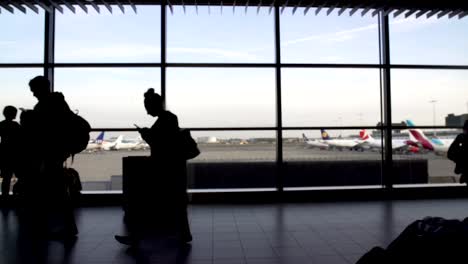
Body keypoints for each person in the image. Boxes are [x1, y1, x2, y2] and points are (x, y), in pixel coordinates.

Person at [115, 88, 192, 246]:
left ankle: (137, 237)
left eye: (147, 107)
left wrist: (145, 134)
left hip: (164, 166)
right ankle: (184, 234)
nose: (146, 111)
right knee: (175, 202)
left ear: (154, 105)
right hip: (172, 167)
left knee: (146, 203)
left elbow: (160, 143)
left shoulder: (165, 120)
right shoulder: (169, 118)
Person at [27, 76, 78, 240]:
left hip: (49, 153)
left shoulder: (44, 105)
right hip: (57, 152)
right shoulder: (59, 103)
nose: (33, 94)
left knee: (50, 190)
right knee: (58, 190)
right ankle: (68, 227)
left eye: (34, 90)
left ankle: (52, 228)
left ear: (40, 88)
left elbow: (42, 131)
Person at [0, 106, 21, 200]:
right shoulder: (16, 125)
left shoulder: (1, 124)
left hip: (4, 153)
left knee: (6, 177)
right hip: (15, 153)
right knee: (20, 175)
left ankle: (5, 196)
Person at [448, 120, 468, 185]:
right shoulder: (461, 137)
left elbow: (450, 154)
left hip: (464, 171)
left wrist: (459, 160)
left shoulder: (461, 137)